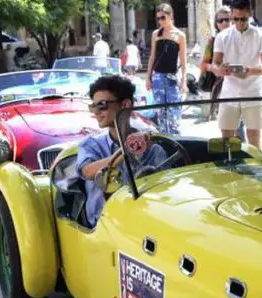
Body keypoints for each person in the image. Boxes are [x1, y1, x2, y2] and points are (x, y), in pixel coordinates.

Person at [77, 75, 168, 227]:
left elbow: (164, 192)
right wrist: (128, 149)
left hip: (143, 224)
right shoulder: (91, 145)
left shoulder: (153, 150)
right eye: (93, 107)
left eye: (102, 105)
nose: (96, 112)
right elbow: (87, 171)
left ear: (125, 104)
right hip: (104, 227)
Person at [211, 0, 262, 148]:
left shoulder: (261, 36)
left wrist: (250, 71)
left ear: (250, 14)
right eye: (235, 19)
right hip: (229, 92)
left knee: (254, 141)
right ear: (231, 15)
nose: (239, 23)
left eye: (243, 19)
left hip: (253, 91)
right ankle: (230, 169)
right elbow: (216, 63)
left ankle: (256, 169)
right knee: (226, 141)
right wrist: (219, 70)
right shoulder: (222, 37)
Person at [146, 4, 187, 135]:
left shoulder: (180, 35)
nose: (160, 21)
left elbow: (183, 60)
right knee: (160, 112)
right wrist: (148, 77)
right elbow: (152, 57)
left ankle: (177, 141)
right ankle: (164, 140)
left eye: (163, 17)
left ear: (170, 16)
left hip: (172, 77)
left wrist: (184, 80)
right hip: (157, 76)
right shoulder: (155, 34)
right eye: (158, 18)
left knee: (174, 111)